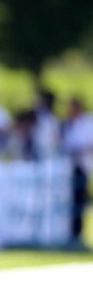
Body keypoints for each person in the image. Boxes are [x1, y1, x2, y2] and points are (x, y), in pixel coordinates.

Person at [61, 97, 93, 251]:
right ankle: (70, 233)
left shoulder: (87, 122)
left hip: (82, 165)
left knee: (79, 200)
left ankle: (77, 234)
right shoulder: (67, 124)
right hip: (68, 168)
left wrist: (78, 149)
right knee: (70, 201)